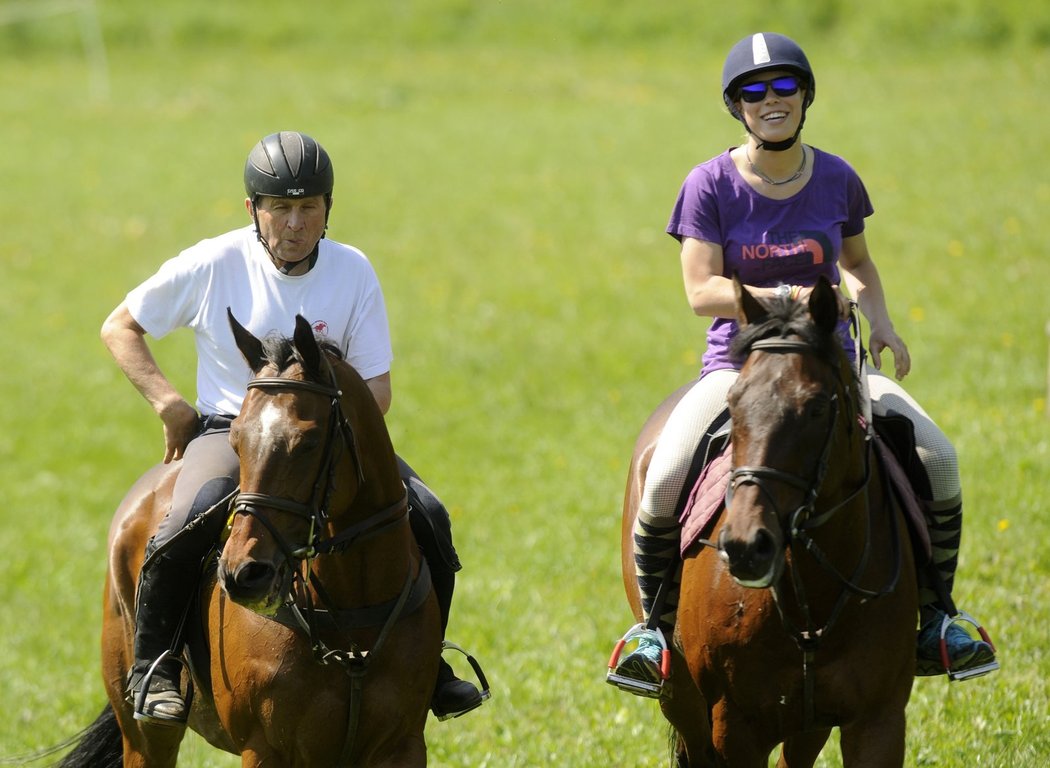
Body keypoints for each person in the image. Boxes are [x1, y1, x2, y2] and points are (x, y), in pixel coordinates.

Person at [610, 33, 997, 694]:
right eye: (754, 92)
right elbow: (701, 289)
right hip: (742, 372)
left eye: (783, 87)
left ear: (805, 96)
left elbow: (858, 263)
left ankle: (937, 619)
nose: (771, 101)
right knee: (667, 468)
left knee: (938, 456)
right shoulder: (708, 184)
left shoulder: (838, 178)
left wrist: (881, 323)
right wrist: (779, 296)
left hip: (833, 367)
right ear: (737, 106)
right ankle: (654, 628)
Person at [101, 131, 484, 724]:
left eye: (309, 207)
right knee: (182, 519)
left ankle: (429, 667)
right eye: (280, 207)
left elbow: (378, 390)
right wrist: (170, 403)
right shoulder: (213, 263)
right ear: (252, 209)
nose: (295, 223)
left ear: (328, 209)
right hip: (237, 434)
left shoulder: (353, 271)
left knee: (429, 513)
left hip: (330, 440)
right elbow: (120, 327)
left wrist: (330, 420)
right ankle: (154, 667)